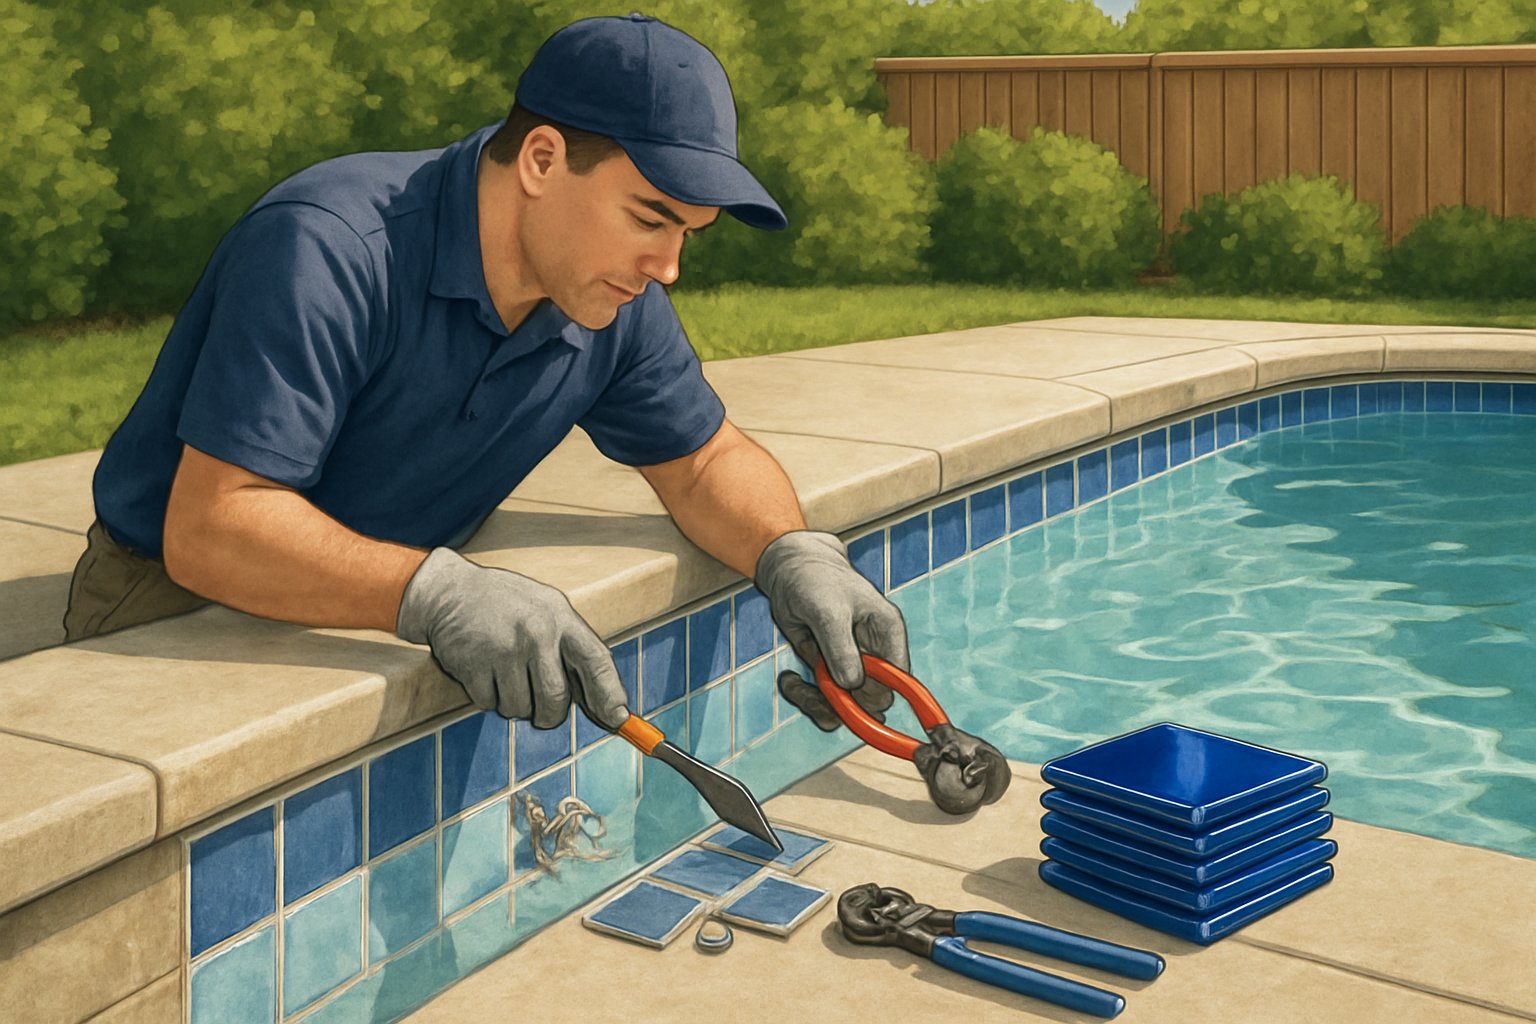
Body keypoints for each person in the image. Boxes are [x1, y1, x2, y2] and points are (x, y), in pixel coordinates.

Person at [62, 13, 906, 735]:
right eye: (650, 217)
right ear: (541, 160)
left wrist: (793, 554)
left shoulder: (606, 296)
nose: (669, 266)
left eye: (691, 232)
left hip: (389, 596)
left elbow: (704, 460)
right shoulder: (328, 247)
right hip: (173, 605)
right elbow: (212, 528)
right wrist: (436, 591)